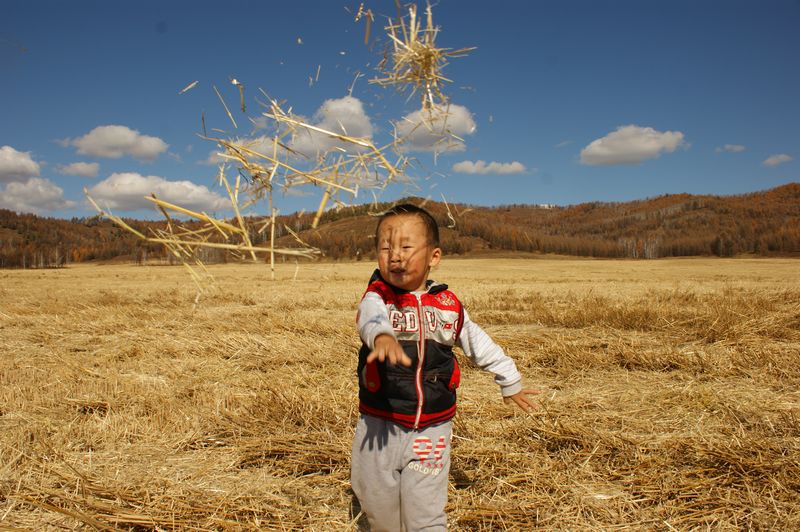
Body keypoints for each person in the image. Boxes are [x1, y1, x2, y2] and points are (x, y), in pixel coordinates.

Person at [351, 203, 538, 531]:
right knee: (379, 508)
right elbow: (371, 319)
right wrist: (381, 337)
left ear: (434, 256)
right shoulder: (377, 298)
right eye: (385, 247)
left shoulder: (448, 306)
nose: (395, 256)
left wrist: (510, 381)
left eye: (406, 247)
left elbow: (479, 343)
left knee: (426, 514)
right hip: (381, 426)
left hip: (433, 429)